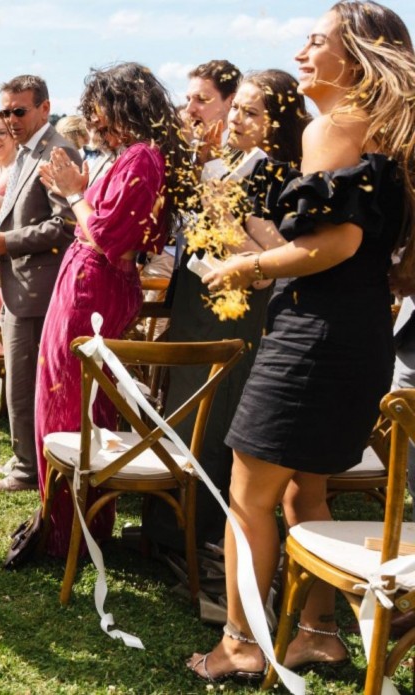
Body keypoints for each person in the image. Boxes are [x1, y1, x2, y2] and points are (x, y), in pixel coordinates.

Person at [189, 1, 415, 681]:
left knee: (248, 496)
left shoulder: (333, 127)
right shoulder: (386, 136)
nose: (301, 53)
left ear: (357, 58)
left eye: (316, 41)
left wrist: (243, 264)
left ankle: (238, 644)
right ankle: (316, 633)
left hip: (312, 337)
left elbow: (332, 243)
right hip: (359, 337)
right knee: (304, 494)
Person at [147, 70, 310, 554]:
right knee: (181, 417)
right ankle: (163, 529)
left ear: (277, 122)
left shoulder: (280, 174)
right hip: (199, 303)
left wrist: (219, 203)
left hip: (236, 313)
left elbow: (267, 265)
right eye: (236, 107)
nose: (237, 118)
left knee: (210, 423)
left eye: (251, 112)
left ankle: (191, 537)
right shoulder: (231, 160)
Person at [34, 62, 187, 556]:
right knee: (83, 398)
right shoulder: (137, 156)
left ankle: (68, 529)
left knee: (66, 399)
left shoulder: (142, 158)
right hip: (96, 282)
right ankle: (77, 519)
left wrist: (75, 194)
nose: (95, 122)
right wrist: (76, 192)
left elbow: (103, 234)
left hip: (92, 286)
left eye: (100, 111)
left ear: (124, 105)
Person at [0, 75, 82, 492]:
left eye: (19, 111)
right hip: (21, 286)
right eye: (6, 111)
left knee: (25, 381)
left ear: (44, 108)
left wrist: (8, 241)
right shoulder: (26, 153)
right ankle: (26, 458)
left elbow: (67, 224)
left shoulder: (58, 151)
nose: (11, 119)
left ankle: (28, 469)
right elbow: (26, 214)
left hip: (38, 290)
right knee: (19, 379)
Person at [185, 60, 242, 165]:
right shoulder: (188, 152)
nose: (189, 109)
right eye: (188, 100)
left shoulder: (249, 159)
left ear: (232, 101)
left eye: (201, 99)